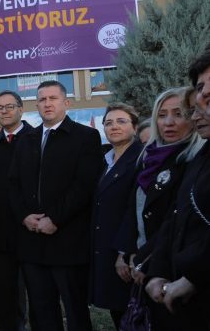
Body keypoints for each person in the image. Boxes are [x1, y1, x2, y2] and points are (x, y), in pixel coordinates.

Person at [8, 80, 103, 331]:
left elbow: (84, 186)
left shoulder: (86, 137)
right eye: (42, 99)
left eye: (53, 98)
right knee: (41, 311)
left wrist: (55, 219)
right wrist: (24, 217)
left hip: (67, 241)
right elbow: (13, 185)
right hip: (32, 242)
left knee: (75, 310)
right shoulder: (26, 139)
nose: (47, 103)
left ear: (66, 103)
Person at [115, 87, 204, 329]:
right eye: (162, 115)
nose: (169, 122)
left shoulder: (193, 162)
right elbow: (135, 209)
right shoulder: (148, 157)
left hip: (173, 270)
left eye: (179, 113)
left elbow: (173, 221)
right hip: (142, 265)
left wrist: (146, 261)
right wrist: (128, 252)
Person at [145, 51, 210, 330]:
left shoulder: (189, 158)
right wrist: (155, 272)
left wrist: (193, 277)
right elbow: (175, 218)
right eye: (200, 91)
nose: (198, 112)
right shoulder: (202, 158)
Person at [89, 103, 143, 328]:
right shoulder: (107, 160)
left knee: (133, 314)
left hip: (127, 254)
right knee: (119, 314)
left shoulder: (141, 158)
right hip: (105, 248)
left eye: (121, 121)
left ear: (135, 127)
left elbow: (135, 208)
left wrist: (125, 251)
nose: (114, 127)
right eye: (109, 123)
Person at [0, 90, 33, 331]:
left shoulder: (36, 138)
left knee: (37, 291)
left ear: (21, 109)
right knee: (2, 288)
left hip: (32, 229)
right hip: (0, 231)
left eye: (9, 106)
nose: (4, 111)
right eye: (0, 108)